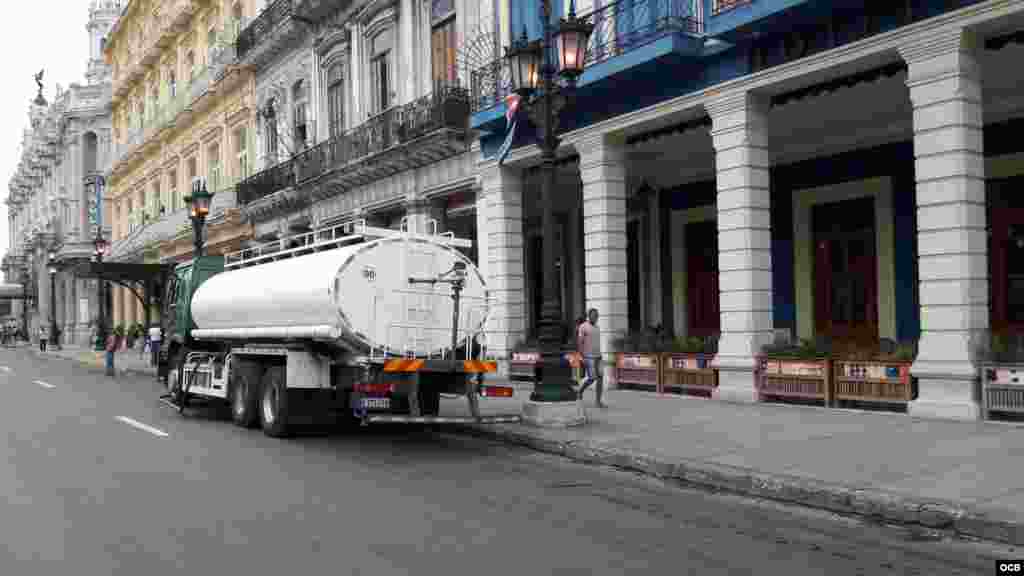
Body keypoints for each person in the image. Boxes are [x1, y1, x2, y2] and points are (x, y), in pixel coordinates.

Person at [576, 308, 606, 408]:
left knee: (600, 378)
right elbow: (580, 342)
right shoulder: (583, 327)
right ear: (588, 316)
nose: (595, 317)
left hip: (598, 356)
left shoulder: (597, 327)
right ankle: (580, 391)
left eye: (597, 315)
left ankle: (598, 401)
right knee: (592, 378)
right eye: (593, 315)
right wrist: (582, 356)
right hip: (589, 357)